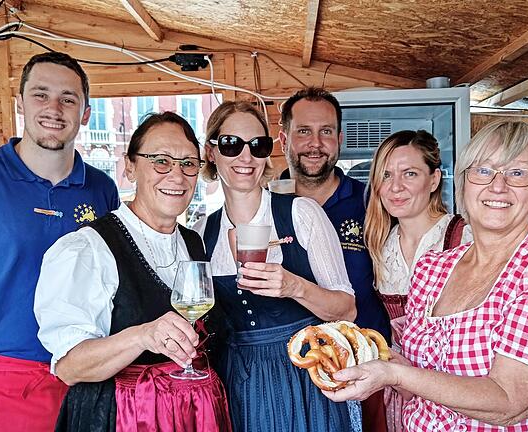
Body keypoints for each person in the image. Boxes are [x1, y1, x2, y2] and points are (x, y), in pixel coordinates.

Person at [325, 120, 528, 432]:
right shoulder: (433, 268)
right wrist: (378, 365)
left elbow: (510, 402)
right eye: (483, 170)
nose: (498, 185)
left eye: (517, 173)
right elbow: (423, 381)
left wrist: (395, 375)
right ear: (464, 183)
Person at [0, 52, 120, 431]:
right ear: (20, 104)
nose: (53, 108)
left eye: (68, 98)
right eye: (40, 94)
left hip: (81, 374)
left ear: (85, 113)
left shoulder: (102, 189)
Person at [34, 112, 231, 431]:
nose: (177, 176)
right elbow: (70, 367)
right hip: (118, 417)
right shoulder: (87, 249)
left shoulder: (193, 241)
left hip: (190, 415)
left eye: (188, 164)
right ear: (129, 167)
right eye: (161, 161)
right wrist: (142, 335)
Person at [195, 100, 358, 432]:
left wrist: (294, 286)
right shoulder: (202, 232)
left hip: (305, 375)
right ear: (211, 152)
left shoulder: (301, 214)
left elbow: (347, 309)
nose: (246, 157)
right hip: (237, 380)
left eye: (258, 145)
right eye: (231, 145)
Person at [277, 87, 392, 432]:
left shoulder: (374, 203)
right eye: (303, 132)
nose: (315, 143)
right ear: (284, 139)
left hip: (366, 369)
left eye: (326, 131)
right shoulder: (264, 206)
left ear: (340, 138)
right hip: (289, 375)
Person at [363, 129, 472, 431]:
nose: (395, 187)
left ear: (434, 179)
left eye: (409, 173)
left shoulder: (462, 237)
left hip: (453, 386)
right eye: (386, 175)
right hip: (399, 388)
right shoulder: (379, 245)